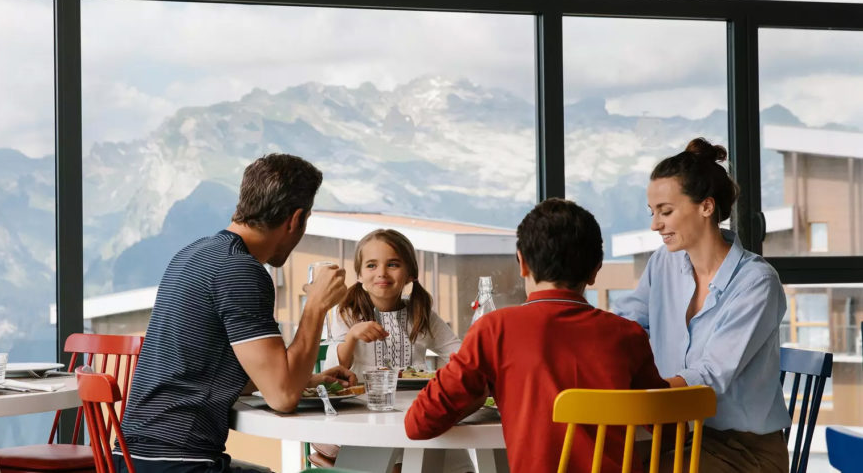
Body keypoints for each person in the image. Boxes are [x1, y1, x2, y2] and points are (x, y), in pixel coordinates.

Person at [116, 153, 357, 473]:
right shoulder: (240, 271)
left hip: (131, 459)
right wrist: (315, 307)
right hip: (180, 463)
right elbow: (283, 396)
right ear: (296, 219)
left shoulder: (193, 254)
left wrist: (308, 380)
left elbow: (206, 372)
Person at [405, 198, 668, 473]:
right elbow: (669, 427)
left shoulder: (495, 329)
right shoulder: (628, 335)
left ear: (522, 263)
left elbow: (418, 424)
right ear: (595, 270)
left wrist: (476, 395)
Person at [614, 138, 790, 472]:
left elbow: (711, 375)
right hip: (681, 433)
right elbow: (626, 325)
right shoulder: (662, 265)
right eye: (653, 213)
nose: (655, 224)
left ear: (706, 207)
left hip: (744, 450)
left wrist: (643, 394)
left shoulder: (756, 283)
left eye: (666, 212)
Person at [328, 228, 461, 375]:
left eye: (393, 265)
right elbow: (335, 369)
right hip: (362, 397)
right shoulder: (347, 312)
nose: (382, 273)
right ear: (359, 274)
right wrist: (352, 336)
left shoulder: (421, 313)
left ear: (411, 274)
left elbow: (460, 356)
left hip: (416, 397)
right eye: (371, 265)